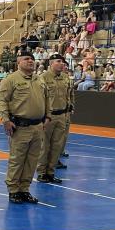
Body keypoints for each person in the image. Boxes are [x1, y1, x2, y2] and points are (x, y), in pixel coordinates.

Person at [0, 49, 50, 204]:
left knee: (32, 160)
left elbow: (46, 99)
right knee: (17, 160)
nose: (31, 61)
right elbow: (1, 101)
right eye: (27, 59)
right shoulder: (11, 80)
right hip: (20, 127)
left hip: (37, 127)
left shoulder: (39, 80)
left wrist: (48, 116)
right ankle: (13, 190)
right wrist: (5, 120)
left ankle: (24, 189)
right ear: (18, 62)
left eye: (32, 59)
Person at [37, 54, 73, 184]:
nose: (62, 64)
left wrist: (69, 109)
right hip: (48, 117)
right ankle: (42, 172)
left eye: (63, 62)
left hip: (62, 116)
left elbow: (69, 95)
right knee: (44, 146)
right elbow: (39, 98)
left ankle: (51, 172)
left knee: (57, 146)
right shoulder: (43, 78)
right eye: (59, 61)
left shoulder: (65, 78)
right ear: (51, 63)